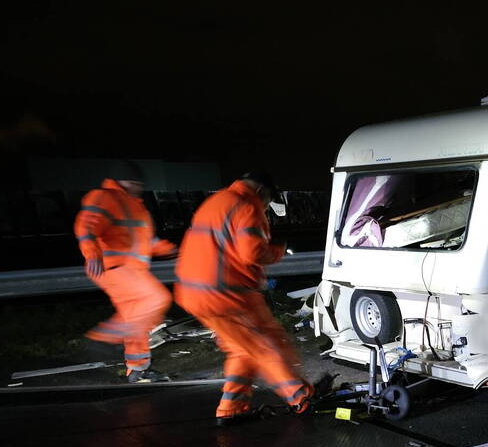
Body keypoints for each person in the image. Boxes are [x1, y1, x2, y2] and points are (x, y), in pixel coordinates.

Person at [174, 171, 314, 426]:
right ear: (262, 192)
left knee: (243, 349)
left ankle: (230, 408)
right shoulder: (248, 205)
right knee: (267, 343)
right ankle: (300, 397)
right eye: (268, 203)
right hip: (226, 293)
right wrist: (277, 251)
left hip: (194, 292)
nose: (266, 208)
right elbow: (252, 252)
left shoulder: (216, 202)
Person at [73, 160, 176, 383]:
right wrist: (91, 252)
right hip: (114, 268)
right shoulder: (104, 197)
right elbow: (86, 226)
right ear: (127, 182)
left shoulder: (136, 207)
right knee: (156, 299)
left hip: (130, 269)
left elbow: (146, 241)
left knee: (136, 320)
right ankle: (104, 338)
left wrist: (172, 250)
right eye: (137, 184)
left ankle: (137, 370)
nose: (140, 188)